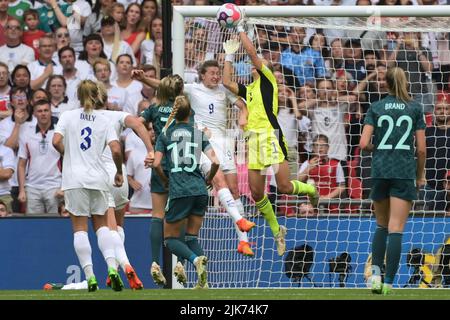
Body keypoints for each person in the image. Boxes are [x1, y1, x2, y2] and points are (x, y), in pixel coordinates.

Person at [222, 20, 318, 256]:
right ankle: (277, 230)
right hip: (252, 141)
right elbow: (225, 82)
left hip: (270, 136)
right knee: (256, 194)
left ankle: (310, 190)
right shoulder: (249, 89)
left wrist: (240, 29)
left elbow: (254, 54)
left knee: (284, 186)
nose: (258, 62)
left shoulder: (268, 80)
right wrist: (228, 55)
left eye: (262, 62)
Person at [52, 80, 125, 292]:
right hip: (98, 179)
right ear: (97, 96)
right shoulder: (104, 120)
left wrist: (69, 154)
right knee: (102, 226)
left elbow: (56, 141)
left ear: (78, 95)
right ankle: (112, 268)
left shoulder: (67, 116)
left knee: (80, 229)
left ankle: (90, 276)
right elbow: (116, 149)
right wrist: (119, 172)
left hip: (74, 179)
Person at [359, 67, 427, 295]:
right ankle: (388, 283)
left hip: (380, 170)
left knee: (381, 225)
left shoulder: (376, 107)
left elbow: (363, 143)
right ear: (405, 82)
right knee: (396, 228)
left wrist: (376, 147)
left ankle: (376, 276)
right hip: (403, 171)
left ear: (385, 84)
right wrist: (420, 175)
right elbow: (422, 149)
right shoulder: (415, 108)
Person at [152, 95, 219, 289]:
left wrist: (165, 179)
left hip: (179, 190)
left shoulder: (165, 134)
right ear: (190, 113)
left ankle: (195, 259)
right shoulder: (199, 134)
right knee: (191, 237)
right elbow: (215, 161)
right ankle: (203, 283)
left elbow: (156, 163)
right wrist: (208, 178)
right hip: (200, 190)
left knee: (170, 240)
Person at [94, 82, 154, 290]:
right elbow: (138, 124)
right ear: (106, 100)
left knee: (105, 226)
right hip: (119, 176)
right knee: (118, 227)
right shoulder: (116, 116)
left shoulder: (80, 118)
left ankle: (125, 264)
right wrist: (150, 150)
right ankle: (114, 271)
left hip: (100, 177)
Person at [17, 100, 62, 216]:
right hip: (32, 187)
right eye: (40, 111)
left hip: (55, 186)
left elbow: (68, 161)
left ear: (51, 112)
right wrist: (22, 190)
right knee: (33, 226)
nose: (43, 113)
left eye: (46, 110)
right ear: (34, 114)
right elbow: (21, 164)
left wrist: (64, 187)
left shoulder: (59, 133)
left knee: (56, 225)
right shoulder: (26, 133)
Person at [298, 134, 346, 214]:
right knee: (305, 209)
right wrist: (308, 169)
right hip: (310, 205)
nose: (319, 149)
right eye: (316, 146)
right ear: (313, 148)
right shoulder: (307, 164)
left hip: (330, 203)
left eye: (322, 146)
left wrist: (327, 198)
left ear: (328, 147)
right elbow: (297, 181)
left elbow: (341, 187)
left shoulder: (336, 164)